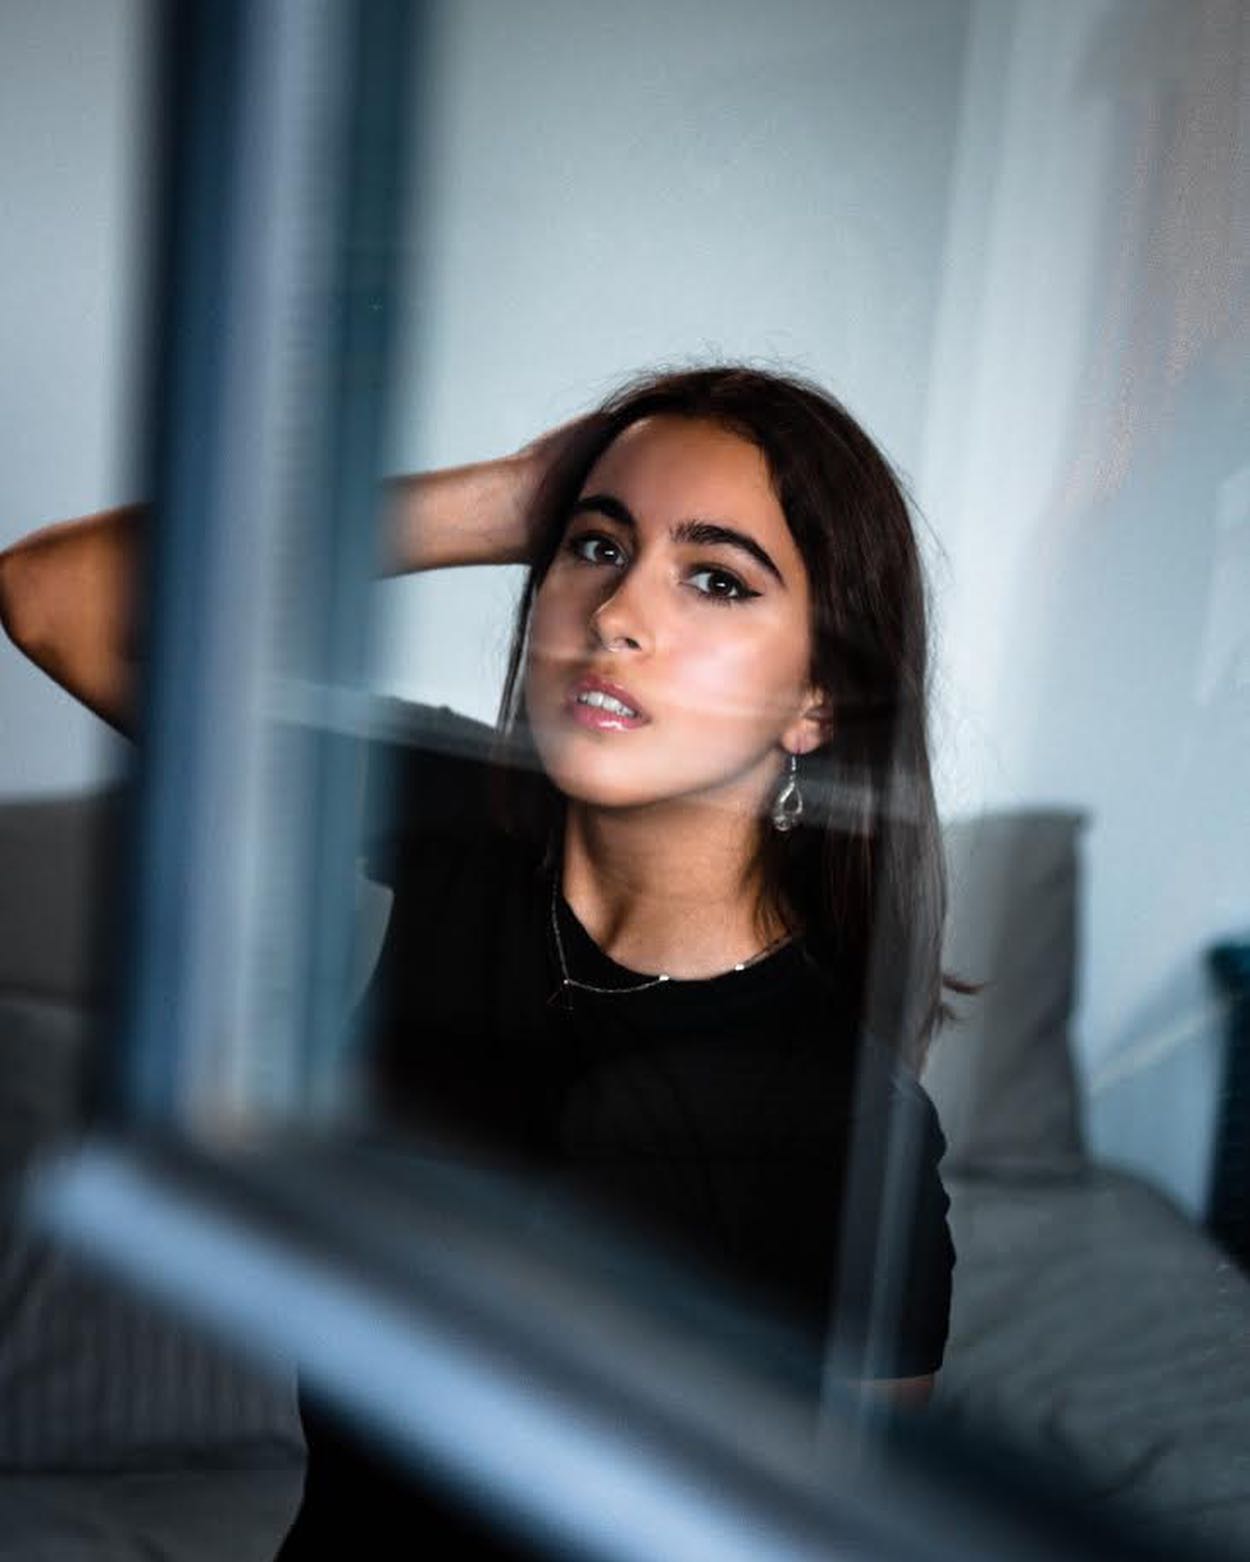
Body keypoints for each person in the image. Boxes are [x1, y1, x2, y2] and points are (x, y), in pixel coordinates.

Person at [0, 364, 959, 1555]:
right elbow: (53, 598)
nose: (616, 613)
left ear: (816, 700)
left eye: (715, 578)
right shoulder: (460, 815)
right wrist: (500, 500)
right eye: (595, 546)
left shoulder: (849, 1125)